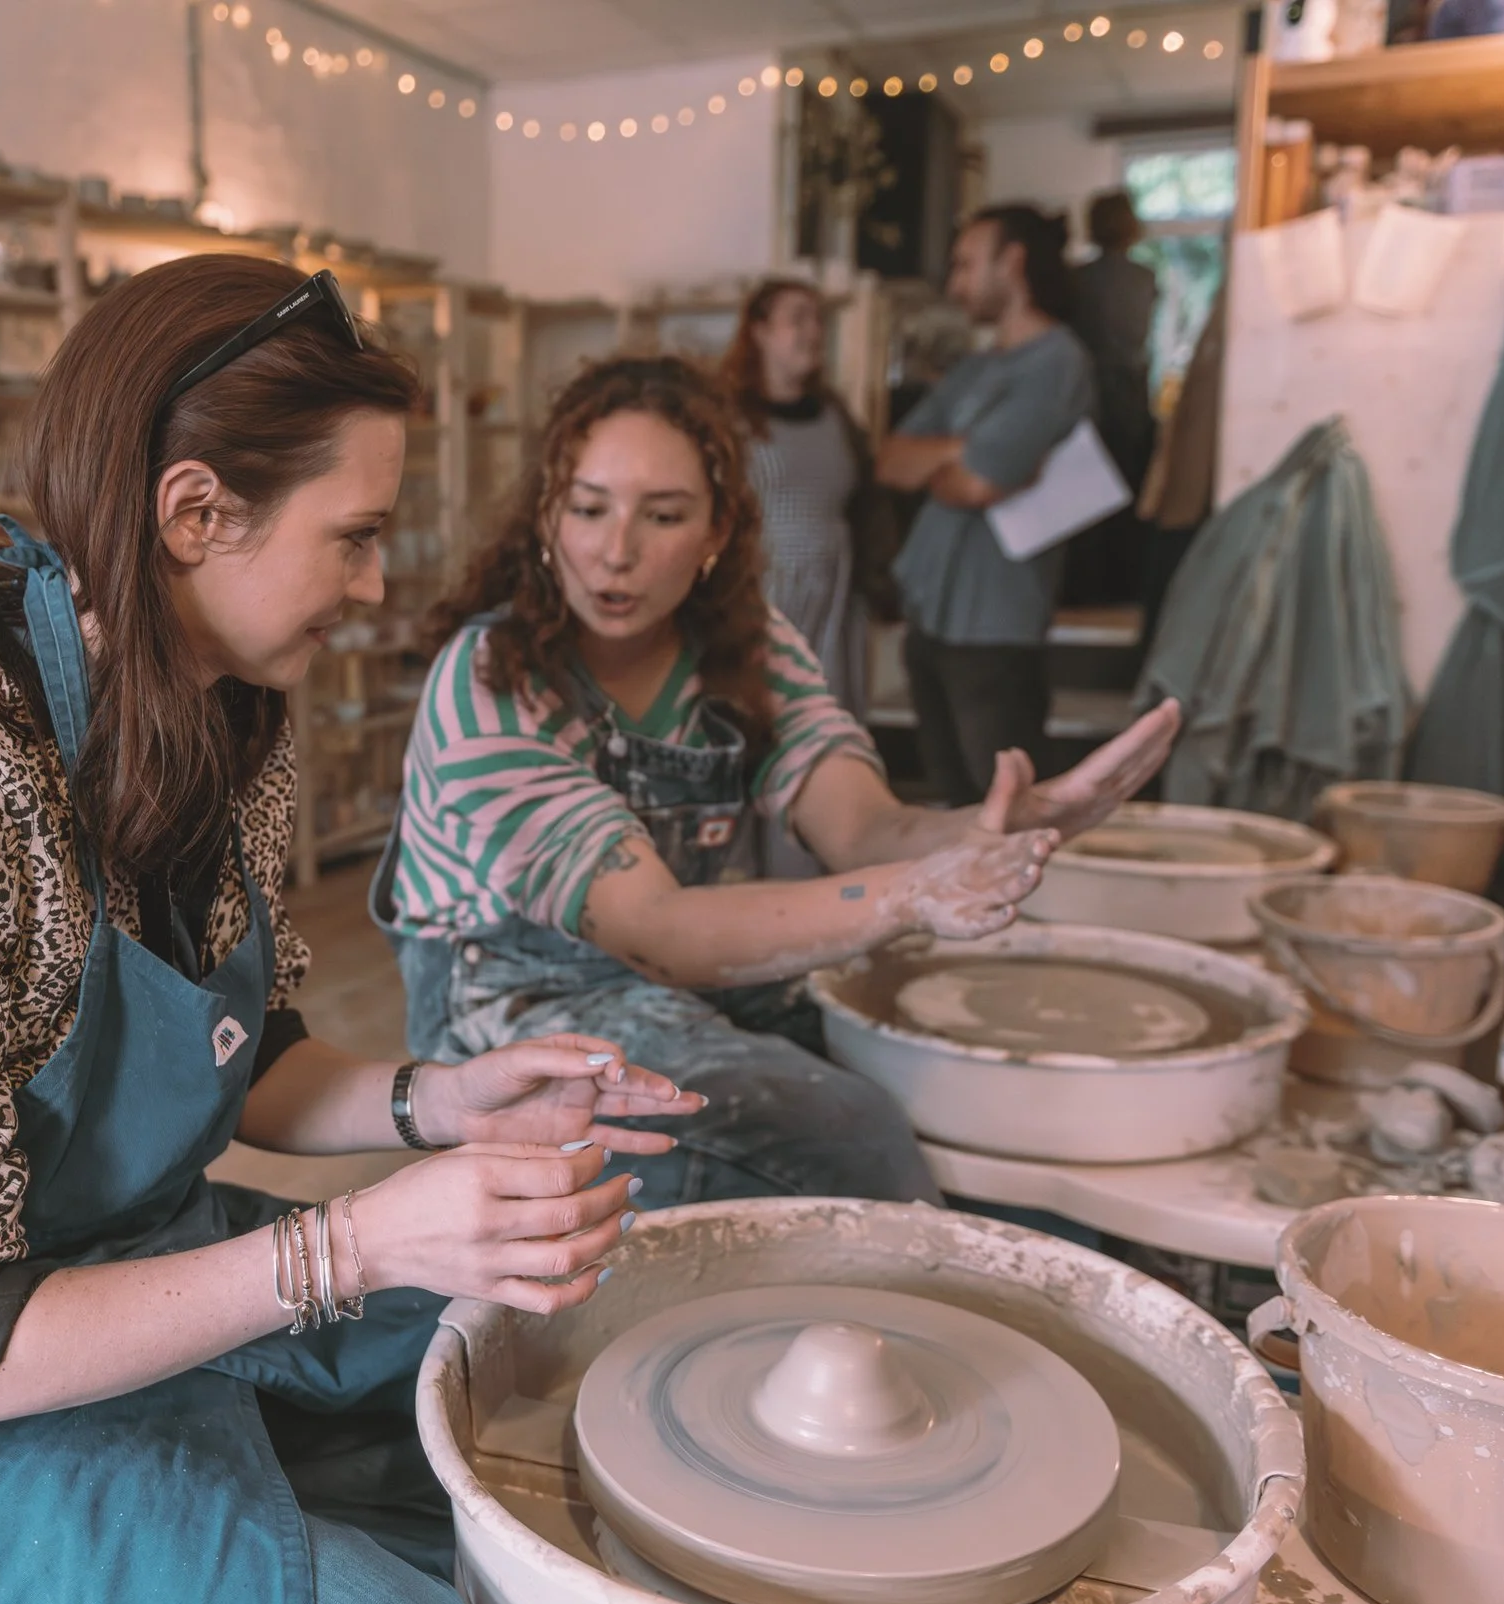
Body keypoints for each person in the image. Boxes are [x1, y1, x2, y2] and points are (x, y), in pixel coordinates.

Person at [0, 254, 698, 1604]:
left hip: (101, 1247)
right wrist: (357, 1238)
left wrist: (442, 1099)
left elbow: (233, 1051)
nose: (375, 586)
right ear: (196, 512)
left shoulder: (219, 709)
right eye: (354, 536)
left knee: (535, 1344)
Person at [373, 354, 1179, 1215]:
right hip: (515, 1004)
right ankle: (916, 1313)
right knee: (848, 1129)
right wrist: (910, 895)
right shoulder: (492, 678)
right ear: (547, 516)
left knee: (929, 1052)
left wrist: (990, 830)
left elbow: (863, 830)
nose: (616, 551)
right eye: (589, 508)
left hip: (673, 974)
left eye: (664, 515)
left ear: (716, 532)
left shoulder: (748, 647)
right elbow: (659, 930)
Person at [876, 205, 1096, 807]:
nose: (954, 284)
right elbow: (891, 459)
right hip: (931, 615)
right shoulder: (974, 369)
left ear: (1013, 262)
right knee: (955, 804)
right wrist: (969, 450)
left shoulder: (1057, 361)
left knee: (1005, 811)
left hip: (996, 623)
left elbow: (978, 483)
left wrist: (960, 461)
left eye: (966, 264)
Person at [716, 278, 893, 722]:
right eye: (797, 319)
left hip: (836, 593)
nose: (813, 331)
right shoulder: (730, 418)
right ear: (759, 331)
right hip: (764, 595)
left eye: (818, 319)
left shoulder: (835, 417)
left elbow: (865, 504)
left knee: (830, 717)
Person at [1061, 189, 1161, 610]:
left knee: (1085, 494)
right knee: (1125, 493)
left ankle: (1084, 589)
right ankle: (1122, 590)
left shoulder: (1077, 279)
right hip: (1130, 397)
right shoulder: (1145, 279)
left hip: (1088, 396)